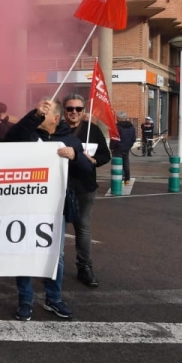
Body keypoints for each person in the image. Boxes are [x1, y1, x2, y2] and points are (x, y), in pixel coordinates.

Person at [5, 99, 93, 321]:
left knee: (57, 256)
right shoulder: (28, 135)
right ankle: (25, 300)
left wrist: (76, 156)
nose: (40, 114)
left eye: (45, 112)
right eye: (39, 111)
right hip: (26, 205)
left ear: (55, 118)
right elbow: (10, 138)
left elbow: (87, 172)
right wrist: (33, 114)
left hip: (55, 208)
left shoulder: (69, 139)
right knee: (25, 252)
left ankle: (53, 298)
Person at [62, 93, 111, 287]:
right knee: (57, 229)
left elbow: (105, 155)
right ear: (64, 110)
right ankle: (53, 267)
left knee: (83, 227)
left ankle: (85, 267)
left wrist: (95, 160)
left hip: (85, 186)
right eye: (70, 109)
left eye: (78, 109)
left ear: (84, 111)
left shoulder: (93, 130)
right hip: (60, 187)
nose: (74, 112)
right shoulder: (56, 129)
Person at [114, 112, 136, 183]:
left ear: (119, 118)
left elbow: (114, 138)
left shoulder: (117, 127)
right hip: (126, 148)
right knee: (126, 163)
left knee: (117, 164)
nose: (116, 119)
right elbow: (134, 138)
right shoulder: (131, 127)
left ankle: (119, 178)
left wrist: (112, 147)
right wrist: (129, 145)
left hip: (118, 148)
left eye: (117, 117)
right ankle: (127, 178)